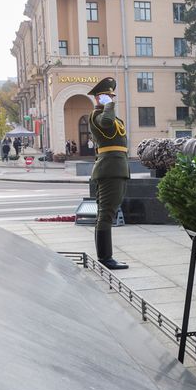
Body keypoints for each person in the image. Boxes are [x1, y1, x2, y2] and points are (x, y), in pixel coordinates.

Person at [87, 77, 130, 270]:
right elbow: (106, 123)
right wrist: (107, 106)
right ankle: (105, 258)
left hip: (116, 168)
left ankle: (105, 256)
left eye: (112, 97)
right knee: (106, 213)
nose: (111, 99)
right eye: (107, 96)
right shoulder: (97, 116)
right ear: (99, 98)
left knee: (106, 212)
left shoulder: (110, 116)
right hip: (110, 169)